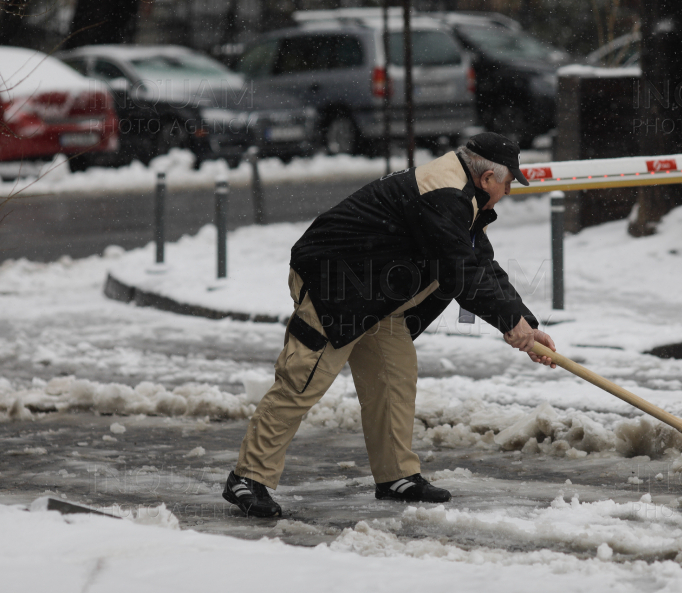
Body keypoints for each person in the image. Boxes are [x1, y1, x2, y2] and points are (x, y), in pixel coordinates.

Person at [222, 132, 557, 517]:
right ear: (487, 179)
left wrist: (525, 324)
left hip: (374, 295)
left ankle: (397, 476)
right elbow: (458, 271)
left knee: (394, 376)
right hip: (334, 284)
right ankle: (248, 478)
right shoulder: (445, 195)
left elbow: (479, 262)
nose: (509, 191)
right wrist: (509, 323)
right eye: (509, 182)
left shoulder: (462, 195)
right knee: (303, 378)